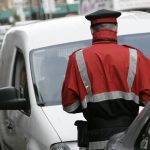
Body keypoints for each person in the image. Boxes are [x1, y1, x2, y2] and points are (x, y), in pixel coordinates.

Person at [61, 9, 150, 150]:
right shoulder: (135, 56)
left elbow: (69, 106)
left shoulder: (77, 59)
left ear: (92, 30)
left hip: (95, 139)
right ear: (116, 29)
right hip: (130, 139)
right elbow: (148, 101)